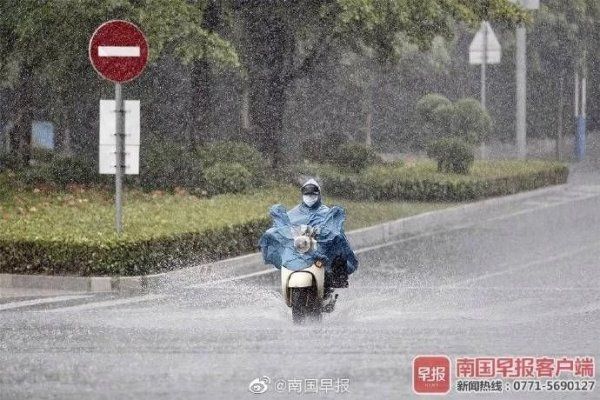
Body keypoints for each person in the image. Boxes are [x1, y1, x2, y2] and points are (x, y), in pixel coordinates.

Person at [287, 178, 358, 289]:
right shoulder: (292, 214)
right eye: (307, 195)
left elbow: (338, 235)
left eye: (313, 195)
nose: (310, 197)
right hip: (300, 251)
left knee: (335, 261)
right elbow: (282, 229)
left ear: (319, 195)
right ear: (302, 195)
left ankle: (331, 281)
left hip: (322, 252)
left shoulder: (327, 213)